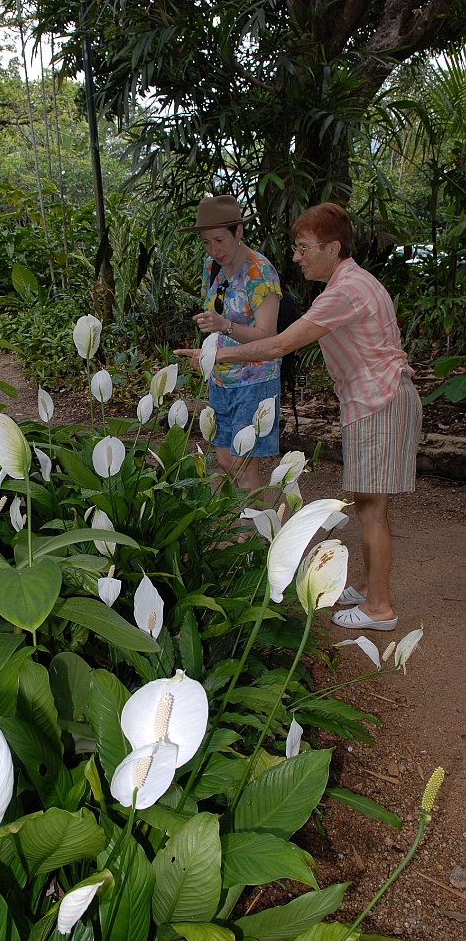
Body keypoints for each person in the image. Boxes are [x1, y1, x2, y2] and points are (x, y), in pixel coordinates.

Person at [175, 202, 422, 632]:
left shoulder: (343, 292)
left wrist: (215, 354)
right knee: (370, 503)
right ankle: (367, 587)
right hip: (373, 401)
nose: (296, 256)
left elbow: (277, 345)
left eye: (304, 247)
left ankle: (379, 608)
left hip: (379, 402)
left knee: (372, 508)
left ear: (333, 247)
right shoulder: (346, 284)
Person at [180, 195, 282, 491]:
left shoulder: (259, 272)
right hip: (220, 378)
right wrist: (206, 354)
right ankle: (246, 529)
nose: (215, 249)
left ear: (239, 230)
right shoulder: (211, 267)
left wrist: (226, 325)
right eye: (206, 242)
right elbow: (214, 318)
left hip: (254, 381)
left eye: (220, 240)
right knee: (224, 460)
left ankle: (260, 536)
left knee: (241, 465)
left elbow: (268, 336)